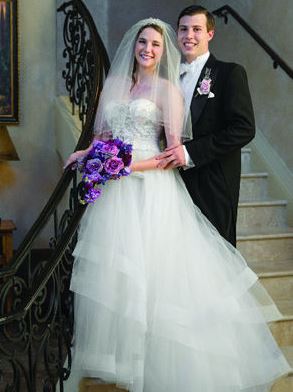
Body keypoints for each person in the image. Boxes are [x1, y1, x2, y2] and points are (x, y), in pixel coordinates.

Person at [63, 18, 290, 392]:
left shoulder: (168, 90)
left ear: (163, 50)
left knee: (155, 274)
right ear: (132, 45)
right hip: (117, 194)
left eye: (155, 44)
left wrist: (127, 165)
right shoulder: (115, 85)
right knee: (118, 274)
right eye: (142, 42)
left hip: (151, 187)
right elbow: (103, 135)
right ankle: (121, 360)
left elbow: (171, 151)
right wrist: (86, 154)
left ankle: (153, 363)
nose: (148, 49)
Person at [156, 5, 255, 247]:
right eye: (183, 29)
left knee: (216, 259)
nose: (189, 35)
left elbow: (244, 128)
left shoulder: (228, 73)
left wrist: (189, 153)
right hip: (171, 181)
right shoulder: (166, 78)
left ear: (210, 34)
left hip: (213, 182)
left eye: (197, 29)